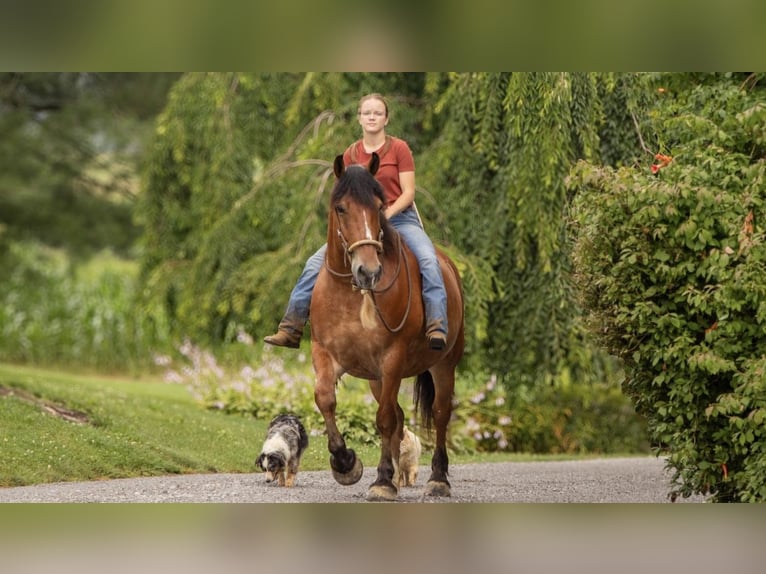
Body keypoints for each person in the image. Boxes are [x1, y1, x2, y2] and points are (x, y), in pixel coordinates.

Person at [264, 93, 448, 350]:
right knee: (313, 263)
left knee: (428, 259)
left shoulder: (399, 149)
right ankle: (291, 326)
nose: (372, 117)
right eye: (367, 113)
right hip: (362, 225)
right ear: (360, 118)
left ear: (386, 119)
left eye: (378, 113)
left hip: (399, 217)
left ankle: (437, 325)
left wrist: (386, 215)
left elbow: (408, 193)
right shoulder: (351, 154)